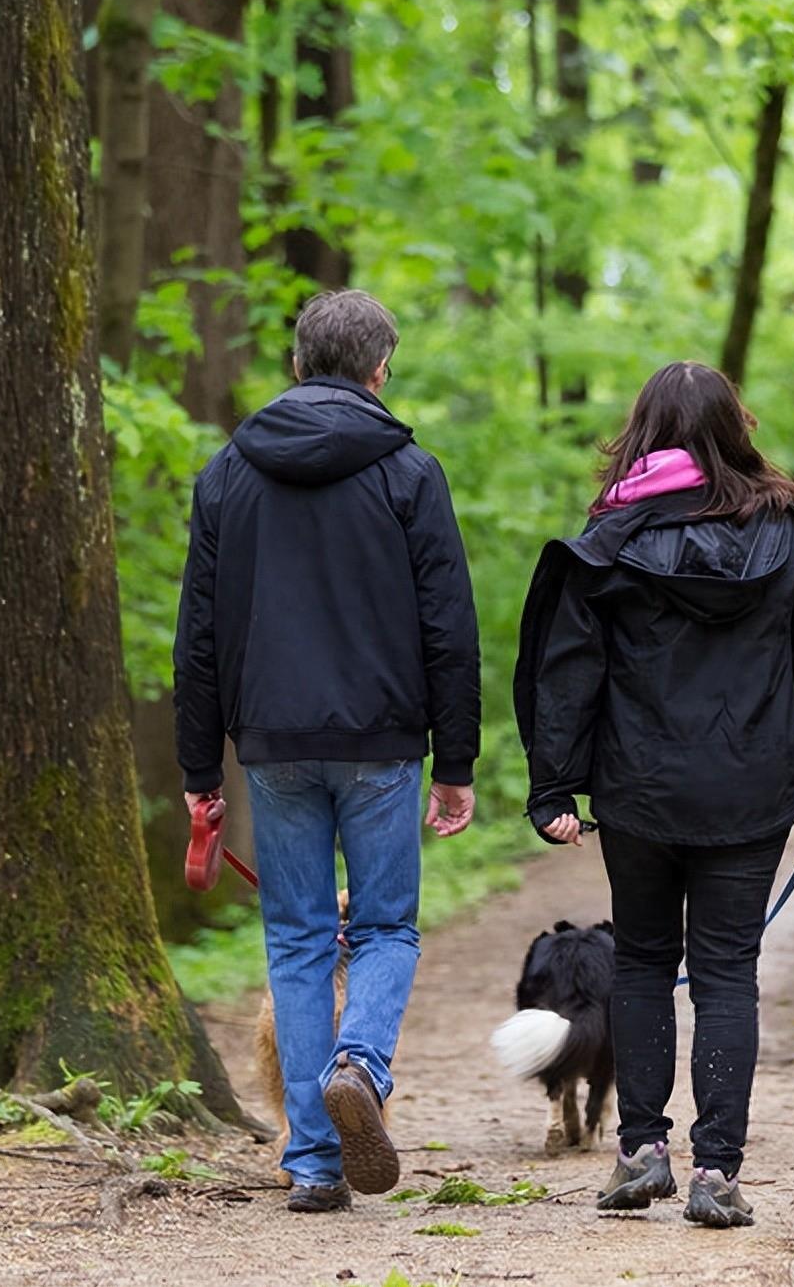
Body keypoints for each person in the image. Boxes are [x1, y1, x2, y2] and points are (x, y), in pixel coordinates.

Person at [514, 360, 794, 1229]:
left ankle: (640, 1152)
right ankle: (718, 1172)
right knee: (724, 974)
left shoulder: (609, 545)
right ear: (735, 430)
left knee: (641, 963)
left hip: (639, 789)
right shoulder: (788, 539)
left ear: (642, 432)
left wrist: (555, 783)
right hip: (752, 787)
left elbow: (567, 673)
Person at [174, 289, 480, 1212]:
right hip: (383, 740)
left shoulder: (229, 473)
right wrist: (456, 761)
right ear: (379, 369)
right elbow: (449, 628)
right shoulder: (410, 472)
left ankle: (311, 1162)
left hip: (272, 742)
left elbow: (197, 637)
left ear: (298, 365)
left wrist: (199, 770)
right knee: (385, 927)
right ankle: (361, 1066)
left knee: (298, 941)